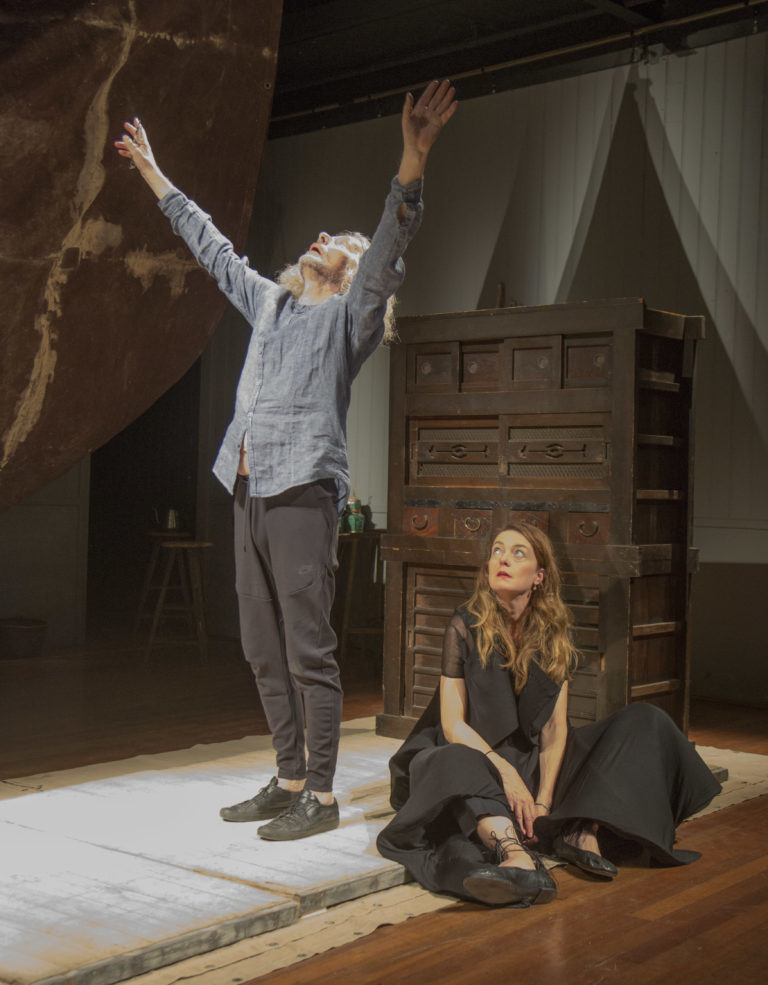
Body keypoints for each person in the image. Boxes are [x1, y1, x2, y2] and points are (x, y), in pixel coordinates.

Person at [115, 80, 457, 841]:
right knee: (260, 646)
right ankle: (290, 775)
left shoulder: (350, 319)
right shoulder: (271, 303)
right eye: (325, 235)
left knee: (307, 647)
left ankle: (323, 794)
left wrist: (412, 157)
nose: (322, 237)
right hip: (247, 485)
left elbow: (390, 245)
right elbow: (210, 246)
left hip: (303, 489)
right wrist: (152, 172)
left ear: (353, 271)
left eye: (340, 241)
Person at [376, 522, 722, 906]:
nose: (503, 559)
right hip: (476, 756)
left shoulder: (554, 634)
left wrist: (542, 802)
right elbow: (453, 724)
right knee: (449, 760)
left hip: (535, 762)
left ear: (539, 576)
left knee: (644, 720)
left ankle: (578, 830)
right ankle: (516, 856)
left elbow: (555, 729)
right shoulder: (464, 624)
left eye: (518, 552)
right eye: (497, 551)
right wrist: (506, 774)